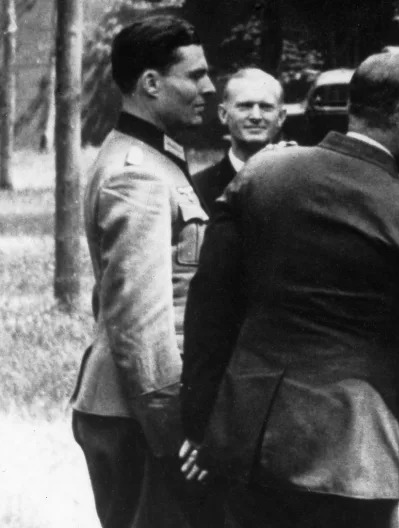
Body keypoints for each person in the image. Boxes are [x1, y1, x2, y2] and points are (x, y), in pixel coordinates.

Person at [179, 52, 399, 528]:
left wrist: (201, 423)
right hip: (352, 457)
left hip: (248, 441)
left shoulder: (262, 175)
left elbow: (207, 311)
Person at [70, 15, 220, 528]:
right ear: (151, 84)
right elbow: (140, 324)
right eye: (195, 75)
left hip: (133, 409)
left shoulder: (154, 161)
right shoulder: (136, 176)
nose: (209, 88)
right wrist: (175, 435)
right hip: (140, 416)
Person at [192, 68, 287, 215]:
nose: (256, 116)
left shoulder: (300, 184)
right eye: (245, 106)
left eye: (266, 107)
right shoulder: (198, 188)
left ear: (281, 117)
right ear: (223, 114)